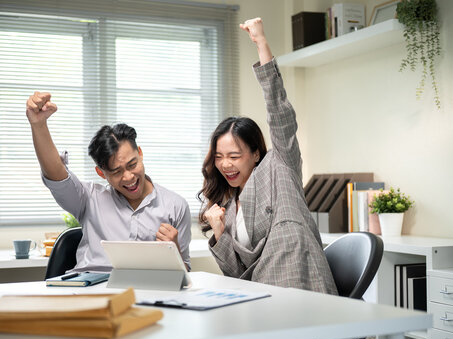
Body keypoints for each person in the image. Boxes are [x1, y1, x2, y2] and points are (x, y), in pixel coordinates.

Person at [199, 18, 337, 296]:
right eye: (219, 157)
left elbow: (280, 113)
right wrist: (218, 231)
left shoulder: (279, 166)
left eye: (234, 155)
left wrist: (261, 43)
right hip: (261, 297)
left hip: (302, 290)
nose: (225, 164)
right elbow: (236, 274)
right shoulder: (226, 204)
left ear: (256, 153)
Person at [26, 93, 191, 272]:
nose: (128, 177)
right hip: (91, 290)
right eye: (116, 171)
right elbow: (56, 175)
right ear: (101, 173)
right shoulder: (89, 199)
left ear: (140, 153)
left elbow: (184, 276)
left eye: (132, 164)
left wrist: (174, 252)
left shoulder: (175, 206)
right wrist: (38, 124)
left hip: (146, 293)